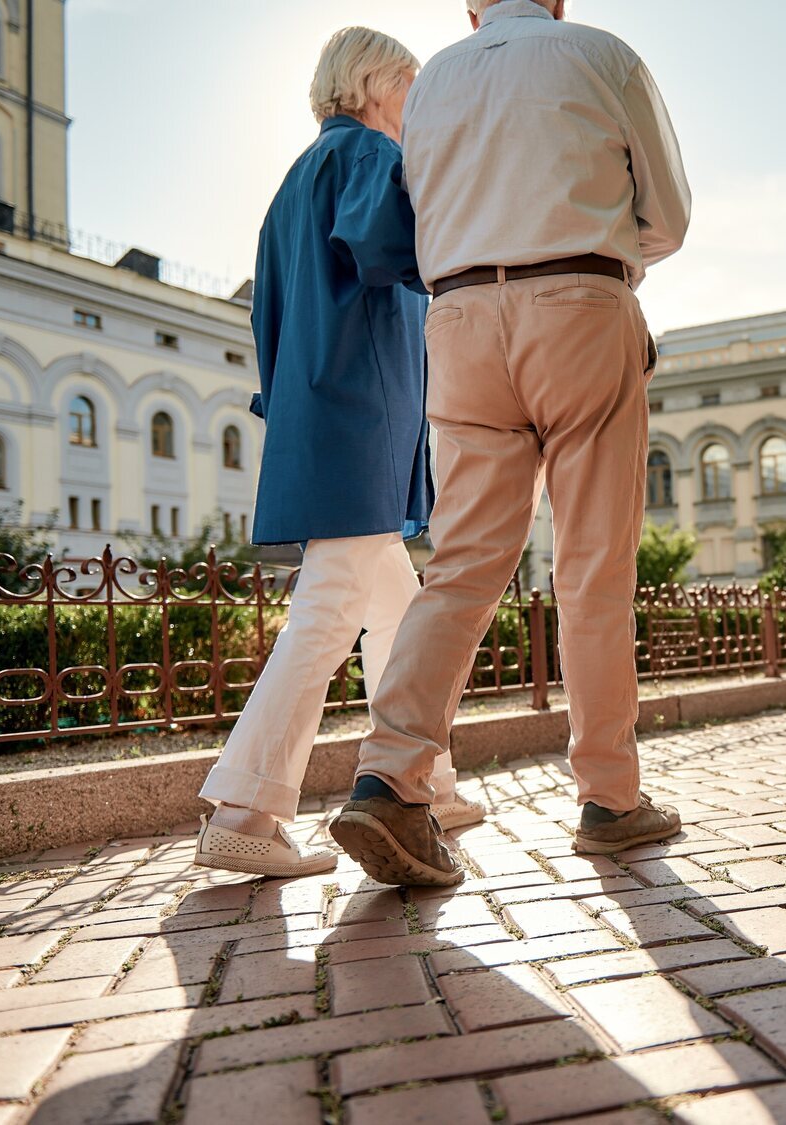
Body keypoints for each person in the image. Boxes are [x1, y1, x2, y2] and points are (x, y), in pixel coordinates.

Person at [329, 0, 691, 885]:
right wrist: (595, 251)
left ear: (470, 5)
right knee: (593, 565)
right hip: (578, 302)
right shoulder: (602, 53)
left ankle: (389, 777)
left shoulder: (436, 80)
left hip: (457, 321)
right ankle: (609, 796)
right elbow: (670, 216)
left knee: (461, 564)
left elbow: (412, 214)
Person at [193, 27, 484, 879]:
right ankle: (245, 807)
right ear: (368, 83)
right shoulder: (365, 155)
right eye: (410, 84)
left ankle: (426, 777)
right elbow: (401, 251)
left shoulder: (293, 182)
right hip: (361, 418)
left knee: (396, 609)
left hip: (323, 417)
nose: (417, 102)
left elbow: (269, 321)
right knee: (327, 614)